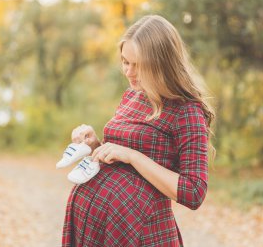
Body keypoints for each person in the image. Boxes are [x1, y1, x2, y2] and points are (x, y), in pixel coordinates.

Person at [62, 14, 215, 247]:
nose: (129, 72)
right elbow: (120, 159)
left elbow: (194, 192)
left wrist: (133, 157)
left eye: (139, 65)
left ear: (162, 64)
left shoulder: (187, 111)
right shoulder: (132, 95)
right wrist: (95, 146)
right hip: (97, 225)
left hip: (141, 233)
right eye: (125, 62)